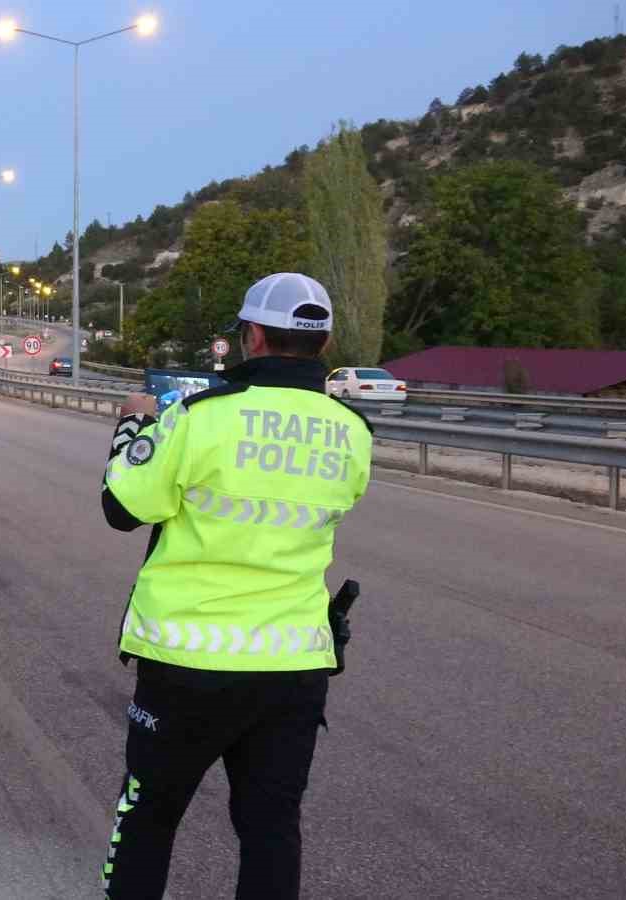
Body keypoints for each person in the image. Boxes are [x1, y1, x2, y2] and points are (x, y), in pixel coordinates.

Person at [98, 273, 373, 899]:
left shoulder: (198, 418)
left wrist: (133, 431)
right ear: (324, 341)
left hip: (186, 664)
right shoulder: (353, 431)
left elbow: (121, 508)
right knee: (272, 829)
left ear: (250, 336)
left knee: (148, 819)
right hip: (292, 667)